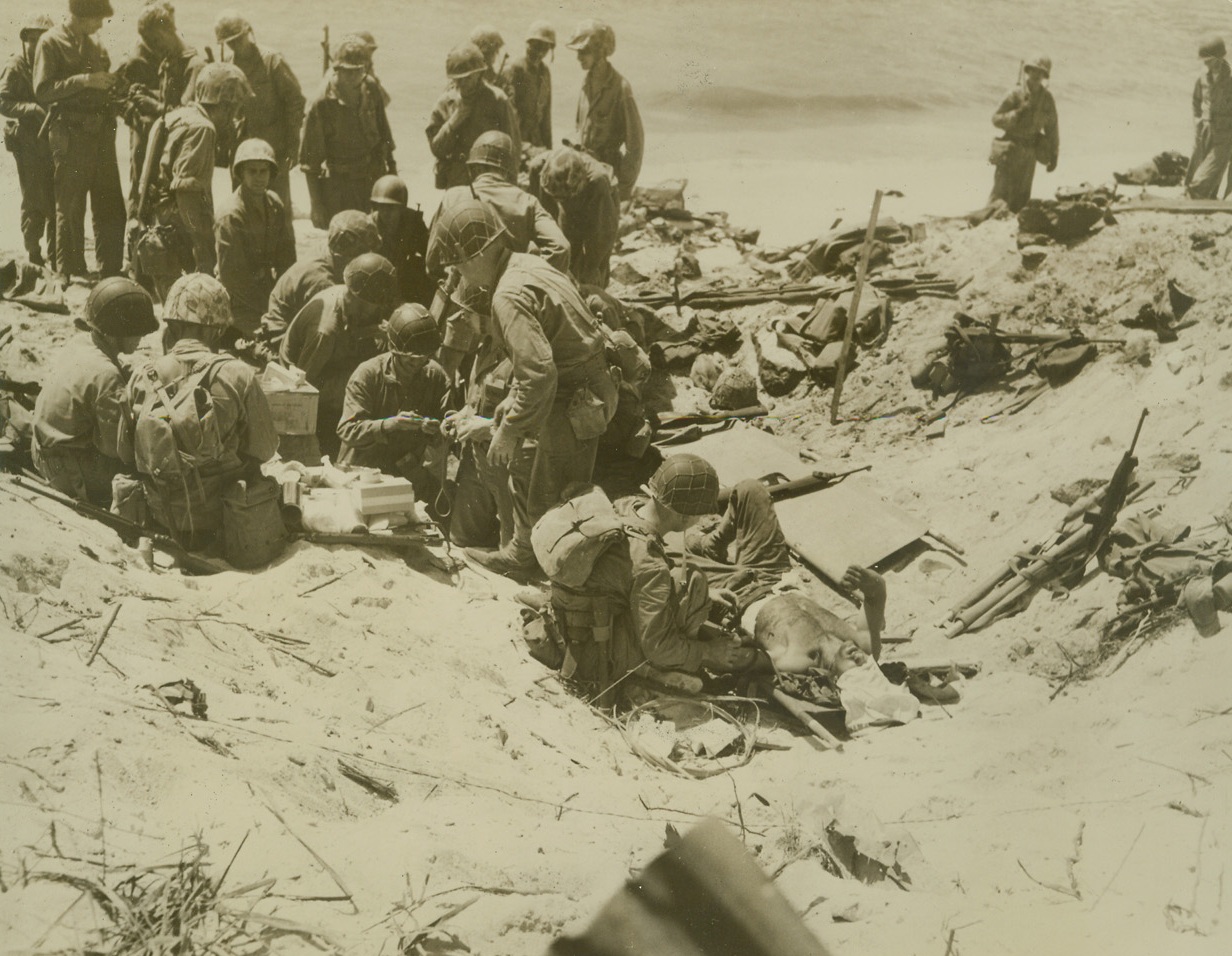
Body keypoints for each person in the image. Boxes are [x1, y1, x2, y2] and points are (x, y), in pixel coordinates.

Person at [429, 197, 617, 577]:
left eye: (459, 268)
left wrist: (508, 431)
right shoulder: (529, 263)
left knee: (550, 497)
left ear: (471, 257)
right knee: (550, 487)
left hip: (573, 397)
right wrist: (508, 410)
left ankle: (529, 564)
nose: (462, 278)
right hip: (589, 386)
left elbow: (540, 372)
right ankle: (529, 555)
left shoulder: (506, 295)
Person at [117, 273, 278, 549]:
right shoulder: (238, 374)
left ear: (171, 326)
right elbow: (265, 448)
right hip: (220, 516)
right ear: (215, 329)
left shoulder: (143, 375)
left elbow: (124, 451)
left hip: (160, 515)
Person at [31, 276, 158, 507]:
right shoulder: (107, 376)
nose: (142, 338)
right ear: (116, 331)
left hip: (41, 452)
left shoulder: (80, 342)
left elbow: (109, 368)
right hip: (67, 472)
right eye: (136, 331)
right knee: (151, 470)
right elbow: (117, 450)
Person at [136, 62, 247, 300]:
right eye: (236, 108)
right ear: (226, 104)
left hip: (155, 232)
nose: (236, 117)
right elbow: (186, 193)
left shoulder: (175, 116)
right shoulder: (203, 129)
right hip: (177, 234)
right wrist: (203, 247)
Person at [33, 0, 126, 281]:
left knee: (109, 202)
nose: (100, 25)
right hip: (70, 134)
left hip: (101, 133)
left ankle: (110, 269)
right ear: (80, 15)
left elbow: (103, 82)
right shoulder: (50, 42)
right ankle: (67, 271)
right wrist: (84, 80)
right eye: (96, 19)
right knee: (69, 206)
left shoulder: (95, 46)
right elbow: (43, 90)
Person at [280, 252, 398, 458]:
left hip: (329, 367)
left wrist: (371, 331)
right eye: (377, 304)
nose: (380, 309)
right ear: (361, 300)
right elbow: (304, 387)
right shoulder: (325, 330)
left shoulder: (345, 295)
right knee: (368, 383)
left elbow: (349, 330)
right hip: (301, 386)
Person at [337, 304, 449, 509]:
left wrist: (435, 429)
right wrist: (389, 425)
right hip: (362, 471)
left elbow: (449, 423)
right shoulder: (367, 375)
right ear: (394, 350)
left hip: (406, 473)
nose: (416, 366)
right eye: (409, 361)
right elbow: (347, 430)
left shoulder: (435, 375)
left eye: (423, 360)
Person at [213, 12, 305, 226]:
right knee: (242, 209)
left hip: (272, 151)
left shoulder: (272, 60)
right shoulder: (227, 67)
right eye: (230, 42)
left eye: (238, 39)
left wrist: (293, 144)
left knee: (278, 210)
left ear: (249, 33)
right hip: (240, 152)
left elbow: (296, 102)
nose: (235, 45)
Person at [432, 131, 570, 275]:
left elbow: (432, 262)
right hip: (510, 290)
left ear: (474, 168)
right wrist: (527, 279)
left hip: (460, 292)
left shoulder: (452, 197)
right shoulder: (528, 201)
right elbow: (561, 248)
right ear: (507, 171)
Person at [300, 37, 396, 228]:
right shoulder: (322, 103)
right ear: (336, 70)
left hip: (372, 179)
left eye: (358, 71)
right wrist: (316, 205)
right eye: (347, 71)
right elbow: (310, 164)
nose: (353, 77)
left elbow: (384, 136)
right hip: (339, 186)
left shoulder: (370, 87)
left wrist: (392, 175)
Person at [259, 208, 379, 350]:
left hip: (302, 325)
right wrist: (371, 331)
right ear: (346, 256)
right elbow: (334, 329)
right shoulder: (322, 282)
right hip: (284, 341)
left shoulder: (330, 250)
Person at [215, 138, 297, 336]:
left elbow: (287, 258)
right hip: (237, 299)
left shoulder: (274, 204)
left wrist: (285, 298)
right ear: (241, 173)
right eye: (252, 171)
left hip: (266, 290)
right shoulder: (231, 214)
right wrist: (269, 309)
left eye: (264, 171)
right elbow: (233, 278)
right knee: (268, 338)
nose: (259, 177)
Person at [566, 19, 643, 202]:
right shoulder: (586, 83)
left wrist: (623, 189)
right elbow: (579, 128)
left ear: (600, 51)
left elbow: (635, 145)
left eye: (584, 52)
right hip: (583, 172)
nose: (579, 58)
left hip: (606, 178)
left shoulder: (621, 88)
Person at [0, 15, 56, 266]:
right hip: (27, 140)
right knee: (33, 196)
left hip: (49, 140)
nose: (37, 44)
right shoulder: (16, 65)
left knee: (53, 196)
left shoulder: (51, 64)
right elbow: (2, 101)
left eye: (43, 39)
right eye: (33, 39)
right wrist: (30, 109)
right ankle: (33, 251)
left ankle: (55, 253)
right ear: (26, 41)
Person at [426, 41, 520, 190]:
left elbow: (512, 148)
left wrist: (511, 189)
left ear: (479, 74)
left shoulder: (497, 100)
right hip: (456, 183)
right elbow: (436, 149)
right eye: (457, 79)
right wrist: (454, 120)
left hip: (490, 181)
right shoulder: (445, 102)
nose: (462, 84)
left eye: (467, 78)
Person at [540, 146, 619, 287]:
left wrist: (592, 266)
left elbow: (605, 232)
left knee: (595, 268)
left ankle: (597, 297)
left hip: (600, 201)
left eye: (562, 198)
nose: (559, 201)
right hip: (572, 194)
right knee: (568, 253)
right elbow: (543, 208)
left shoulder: (597, 181)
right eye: (556, 197)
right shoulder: (539, 168)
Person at [988, 56, 1059, 213]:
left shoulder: (1047, 99)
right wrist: (1017, 113)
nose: (1036, 74)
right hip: (1010, 150)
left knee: (1021, 200)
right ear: (1028, 71)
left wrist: (1054, 154)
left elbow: (1052, 129)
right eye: (1034, 70)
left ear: (1045, 76)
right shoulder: (1015, 94)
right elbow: (996, 119)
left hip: (1030, 154)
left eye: (1041, 72)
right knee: (999, 197)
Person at [369, 174, 432, 307]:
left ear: (402, 207)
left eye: (391, 207)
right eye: (381, 206)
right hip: (378, 280)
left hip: (404, 277)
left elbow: (429, 252)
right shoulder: (369, 225)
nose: (385, 212)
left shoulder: (413, 222)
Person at [1186, 37, 1232, 199]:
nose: (1205, 64)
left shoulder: (1230, 79)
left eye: (1209, 61)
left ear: (1220, 58)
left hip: (1226, 131)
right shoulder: (1203, 77)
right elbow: (1196, 101)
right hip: (1205, 129)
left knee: (1211, 169)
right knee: (1199, 164)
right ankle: (1208, 197)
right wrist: (1197, 121)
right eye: (1204, 61)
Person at [501, 22, 554, 151]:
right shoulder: (513, 68)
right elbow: (507, 113)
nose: (540, 52)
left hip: (536, 142)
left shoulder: (544, 72)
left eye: (544, 48)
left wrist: (548, 149)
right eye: (536, 46)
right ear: (528, 44)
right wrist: (522, 146)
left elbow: (546, 116)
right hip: (515, 141)